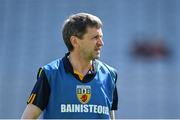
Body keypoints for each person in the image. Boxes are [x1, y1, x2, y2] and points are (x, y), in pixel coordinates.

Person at [21, 13, 118, 119]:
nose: (101, 43)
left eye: (101, 37)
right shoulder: (50, 74)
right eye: (95, 37)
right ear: (75, 41)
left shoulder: (109, 75)